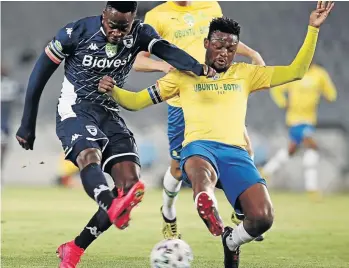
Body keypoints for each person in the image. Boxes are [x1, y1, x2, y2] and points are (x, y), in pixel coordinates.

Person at [98, 2, 334, 267]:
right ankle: (204, 202)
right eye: (219, 46)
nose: (224, 53)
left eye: (231, 49)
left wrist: (313, 29)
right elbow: (137, 101)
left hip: (235, 153)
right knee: (201, 175)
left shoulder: (246, 74)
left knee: (263, 218)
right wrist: (114, 91)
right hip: (199, 148)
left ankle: (231, 241)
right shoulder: (184, 76)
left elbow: (297, 71)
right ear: (206, 43)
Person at [15, 2, 215, 267]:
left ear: (133, 20)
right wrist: (27, 123)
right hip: (76, 110)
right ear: (103, 16)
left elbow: (167, 51)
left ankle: (74, 248)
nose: (118, 33)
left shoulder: (141, 33)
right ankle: (109, 203)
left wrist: (197, 67)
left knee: (130, 187)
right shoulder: (75, 32)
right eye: (112, 25)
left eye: (125, 27)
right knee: (90, 155)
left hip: (109, 114)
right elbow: (39, 73)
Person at [133, 0, 265, 241]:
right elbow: (138, 60)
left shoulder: (210, 6)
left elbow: (224, 40)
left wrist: (252, 53)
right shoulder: (157, 16)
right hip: (182, 103)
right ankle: (168, 214)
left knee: (244, 148)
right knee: (177, 169)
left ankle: (241, 212)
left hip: (216, 94)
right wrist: (163, 65)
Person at [262, 63, 337, 200]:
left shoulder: (319, 74)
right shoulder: (295, 72)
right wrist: (283, 102)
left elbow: (331, 93)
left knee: (292, 150)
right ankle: (312, 188)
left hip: (309, 119)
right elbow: (276, 89)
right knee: (312, 147)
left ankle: (266, 171)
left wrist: (327, 94)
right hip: (295, 119)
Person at [1, 66, 22, 175]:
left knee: (4, 146)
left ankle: (1, 168)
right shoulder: (11, 85)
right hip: (4, 124)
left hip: (3, 124)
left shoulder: (9, 85)